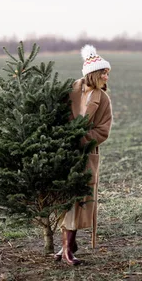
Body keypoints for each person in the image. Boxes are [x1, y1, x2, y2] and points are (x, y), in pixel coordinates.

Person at [55, 44, 113, 266]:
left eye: (108, 73)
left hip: (86, 155)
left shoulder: (103, 100)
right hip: (63, 154)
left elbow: (103, 131)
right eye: (104, 72)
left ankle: (68, 248)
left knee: (78, 201)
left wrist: (80, 138)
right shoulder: (70, 90)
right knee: (64, 199)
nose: (107, 76)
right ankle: (65, 246)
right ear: (93, 74)